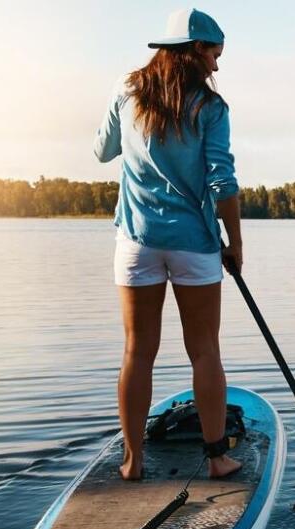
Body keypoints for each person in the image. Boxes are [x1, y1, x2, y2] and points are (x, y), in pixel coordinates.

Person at [94, 8, 242, 480]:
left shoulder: (127, 90)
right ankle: (218, 458)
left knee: (138, 350)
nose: (217, 67)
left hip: (136, 241)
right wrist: (235, 242)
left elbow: (102, 150)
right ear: (196, 49)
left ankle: (133, 462)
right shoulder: (211, 109)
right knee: (205, 351)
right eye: (215, 55)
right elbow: (222, 181)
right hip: (194, 243)